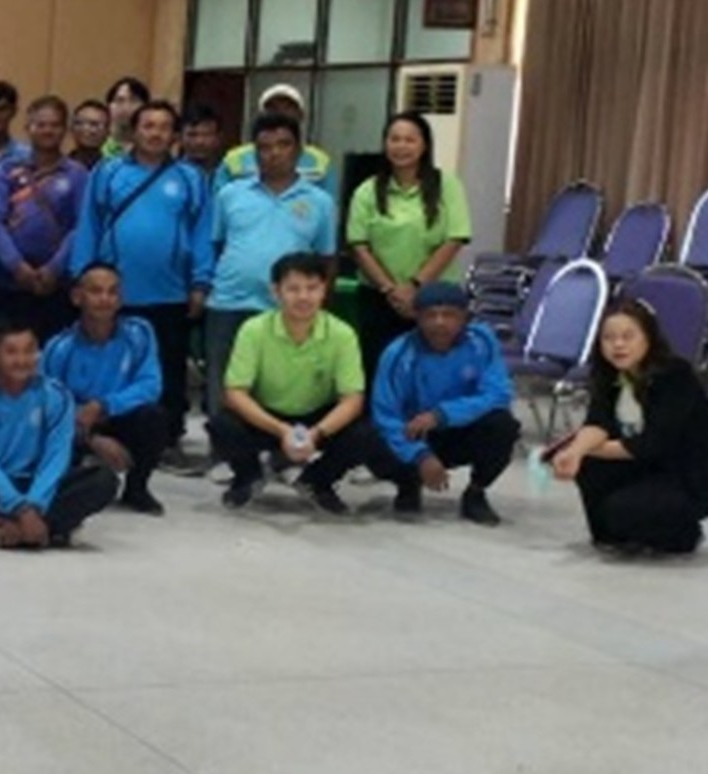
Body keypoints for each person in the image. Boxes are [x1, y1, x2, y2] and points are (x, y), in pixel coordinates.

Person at [69, 100, 209, 447]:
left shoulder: (191, 178)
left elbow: (202, 233)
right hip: (114, 293)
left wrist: (200, 282)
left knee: (169, 368)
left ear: (175, 135)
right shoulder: (108, 172)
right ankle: (108, 435)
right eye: (148, 126)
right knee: (114, 366)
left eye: (164, 127)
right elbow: (89, 224)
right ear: (134, 131)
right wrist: (81, 275)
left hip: (170, 291)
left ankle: (169, 438)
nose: (156, 134)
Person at [213, 253, 387, 514]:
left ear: (324, 290)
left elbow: (352, 399)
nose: (303, 297)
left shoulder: (342, 334)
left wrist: (317, 433)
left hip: (318, 416)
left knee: (368, 432)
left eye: (312, 288)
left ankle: (318, 481)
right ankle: (248, 477)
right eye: (293, 289)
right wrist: (281, 430)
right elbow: (235, 393)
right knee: (222, 424)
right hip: (268, 415)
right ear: (276, 292)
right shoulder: (253, 330)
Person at [550, 297, 708, 556]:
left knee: (621, 508)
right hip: (644, 466)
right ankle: (612, 536)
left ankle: (682, 533)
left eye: (627, 336)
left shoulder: (675, 375)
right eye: (609, 338)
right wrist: (575, 452)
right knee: (588, 462)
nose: (618, 345)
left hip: (684, 474)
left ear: (648, 338)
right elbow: (597, 423)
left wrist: (587, 449)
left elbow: (653, 443)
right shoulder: (610, 374)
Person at [205, 112, 337, 421]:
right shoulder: (229, 195)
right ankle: (223, 444)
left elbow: (326, 259)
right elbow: (217, 244)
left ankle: (276, 444)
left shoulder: (320, 201)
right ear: (254, 152)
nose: (274, 153)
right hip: (230, 301)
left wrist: (317, 303)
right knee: (224, 384)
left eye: (284, 145)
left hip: (289, 307)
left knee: (279, 388)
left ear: (299, 150)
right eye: (265, 147)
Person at [0, 320, 121, 550]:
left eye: (29, 351)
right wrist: (18, 506)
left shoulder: (56, 394)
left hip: (37, 481)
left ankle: (3, 532)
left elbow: (56, 457)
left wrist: (35, 504)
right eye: (11, 352)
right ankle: (50, 529)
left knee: (104, 479)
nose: (22, 360)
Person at [370, 282, 519, 526]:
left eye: (449, 314)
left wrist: (441, 415)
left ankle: (476, 492)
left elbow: (498, 394)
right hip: (414, 435)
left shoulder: (482, 341)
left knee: (502, 424)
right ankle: (408, 485)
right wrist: (420, 455)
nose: (439, 322)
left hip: (458, 429)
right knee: (369, 438)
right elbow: (385, 415)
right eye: (431, 315)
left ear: (464, 317)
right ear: (417, 317)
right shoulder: (398, 354)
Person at [346, 111, 472, 379]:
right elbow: (359, 245)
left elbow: (455, 239)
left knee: (433, 371)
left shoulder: (447, 186)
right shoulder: (367, 191)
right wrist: (391, 290)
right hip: (379, 297)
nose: (401, 146)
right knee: (380, 370)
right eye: (394, 139)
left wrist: (415, 286)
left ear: (424, 145)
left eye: (410, 140)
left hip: (435, 298)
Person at [42, 263, 168, 515]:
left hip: (118, 414)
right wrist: (90, 438)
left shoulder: (140, 333)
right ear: (77, 297)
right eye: (96, 291)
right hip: (77, 425)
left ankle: (137, 488)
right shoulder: (59, 347)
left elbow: (150, 385)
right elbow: (48, 403)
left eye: (112, 292)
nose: (105, 299)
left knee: (154, 416)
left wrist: (104, 405)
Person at [0, 97, 85, 341]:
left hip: (57, 283)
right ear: (28, 127)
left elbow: (81, 226)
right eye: (40, 124)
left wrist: (54, 268)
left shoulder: (77, 173)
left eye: (54, 125)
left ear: (65, 129)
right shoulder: (7, 169)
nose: (47, 130)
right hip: (9, 281)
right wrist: (16, 265)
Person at [218, 82, 333, 188]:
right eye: (273, 108)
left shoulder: (320, 162)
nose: (281, 113)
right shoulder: (234, 160)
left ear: (301, 115)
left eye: (288, 108)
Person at [103, 77, 151, 161]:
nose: (126, 107)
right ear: (109, 106)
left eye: (134, 100)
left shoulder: (153, 149)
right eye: (119, 100)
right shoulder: (97, 146)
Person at [179, 102, 227, 181]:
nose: (200, 141)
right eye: (192, 134)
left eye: (206, 134)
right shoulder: (168, 174)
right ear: (180, 137)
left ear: (219, 138)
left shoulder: (229, 175)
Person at [68, 99, 111, 169]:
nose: (86, 129)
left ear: (108, 131)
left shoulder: (115, 170)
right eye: (79, 123)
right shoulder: (58, 168)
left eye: (94, 124)